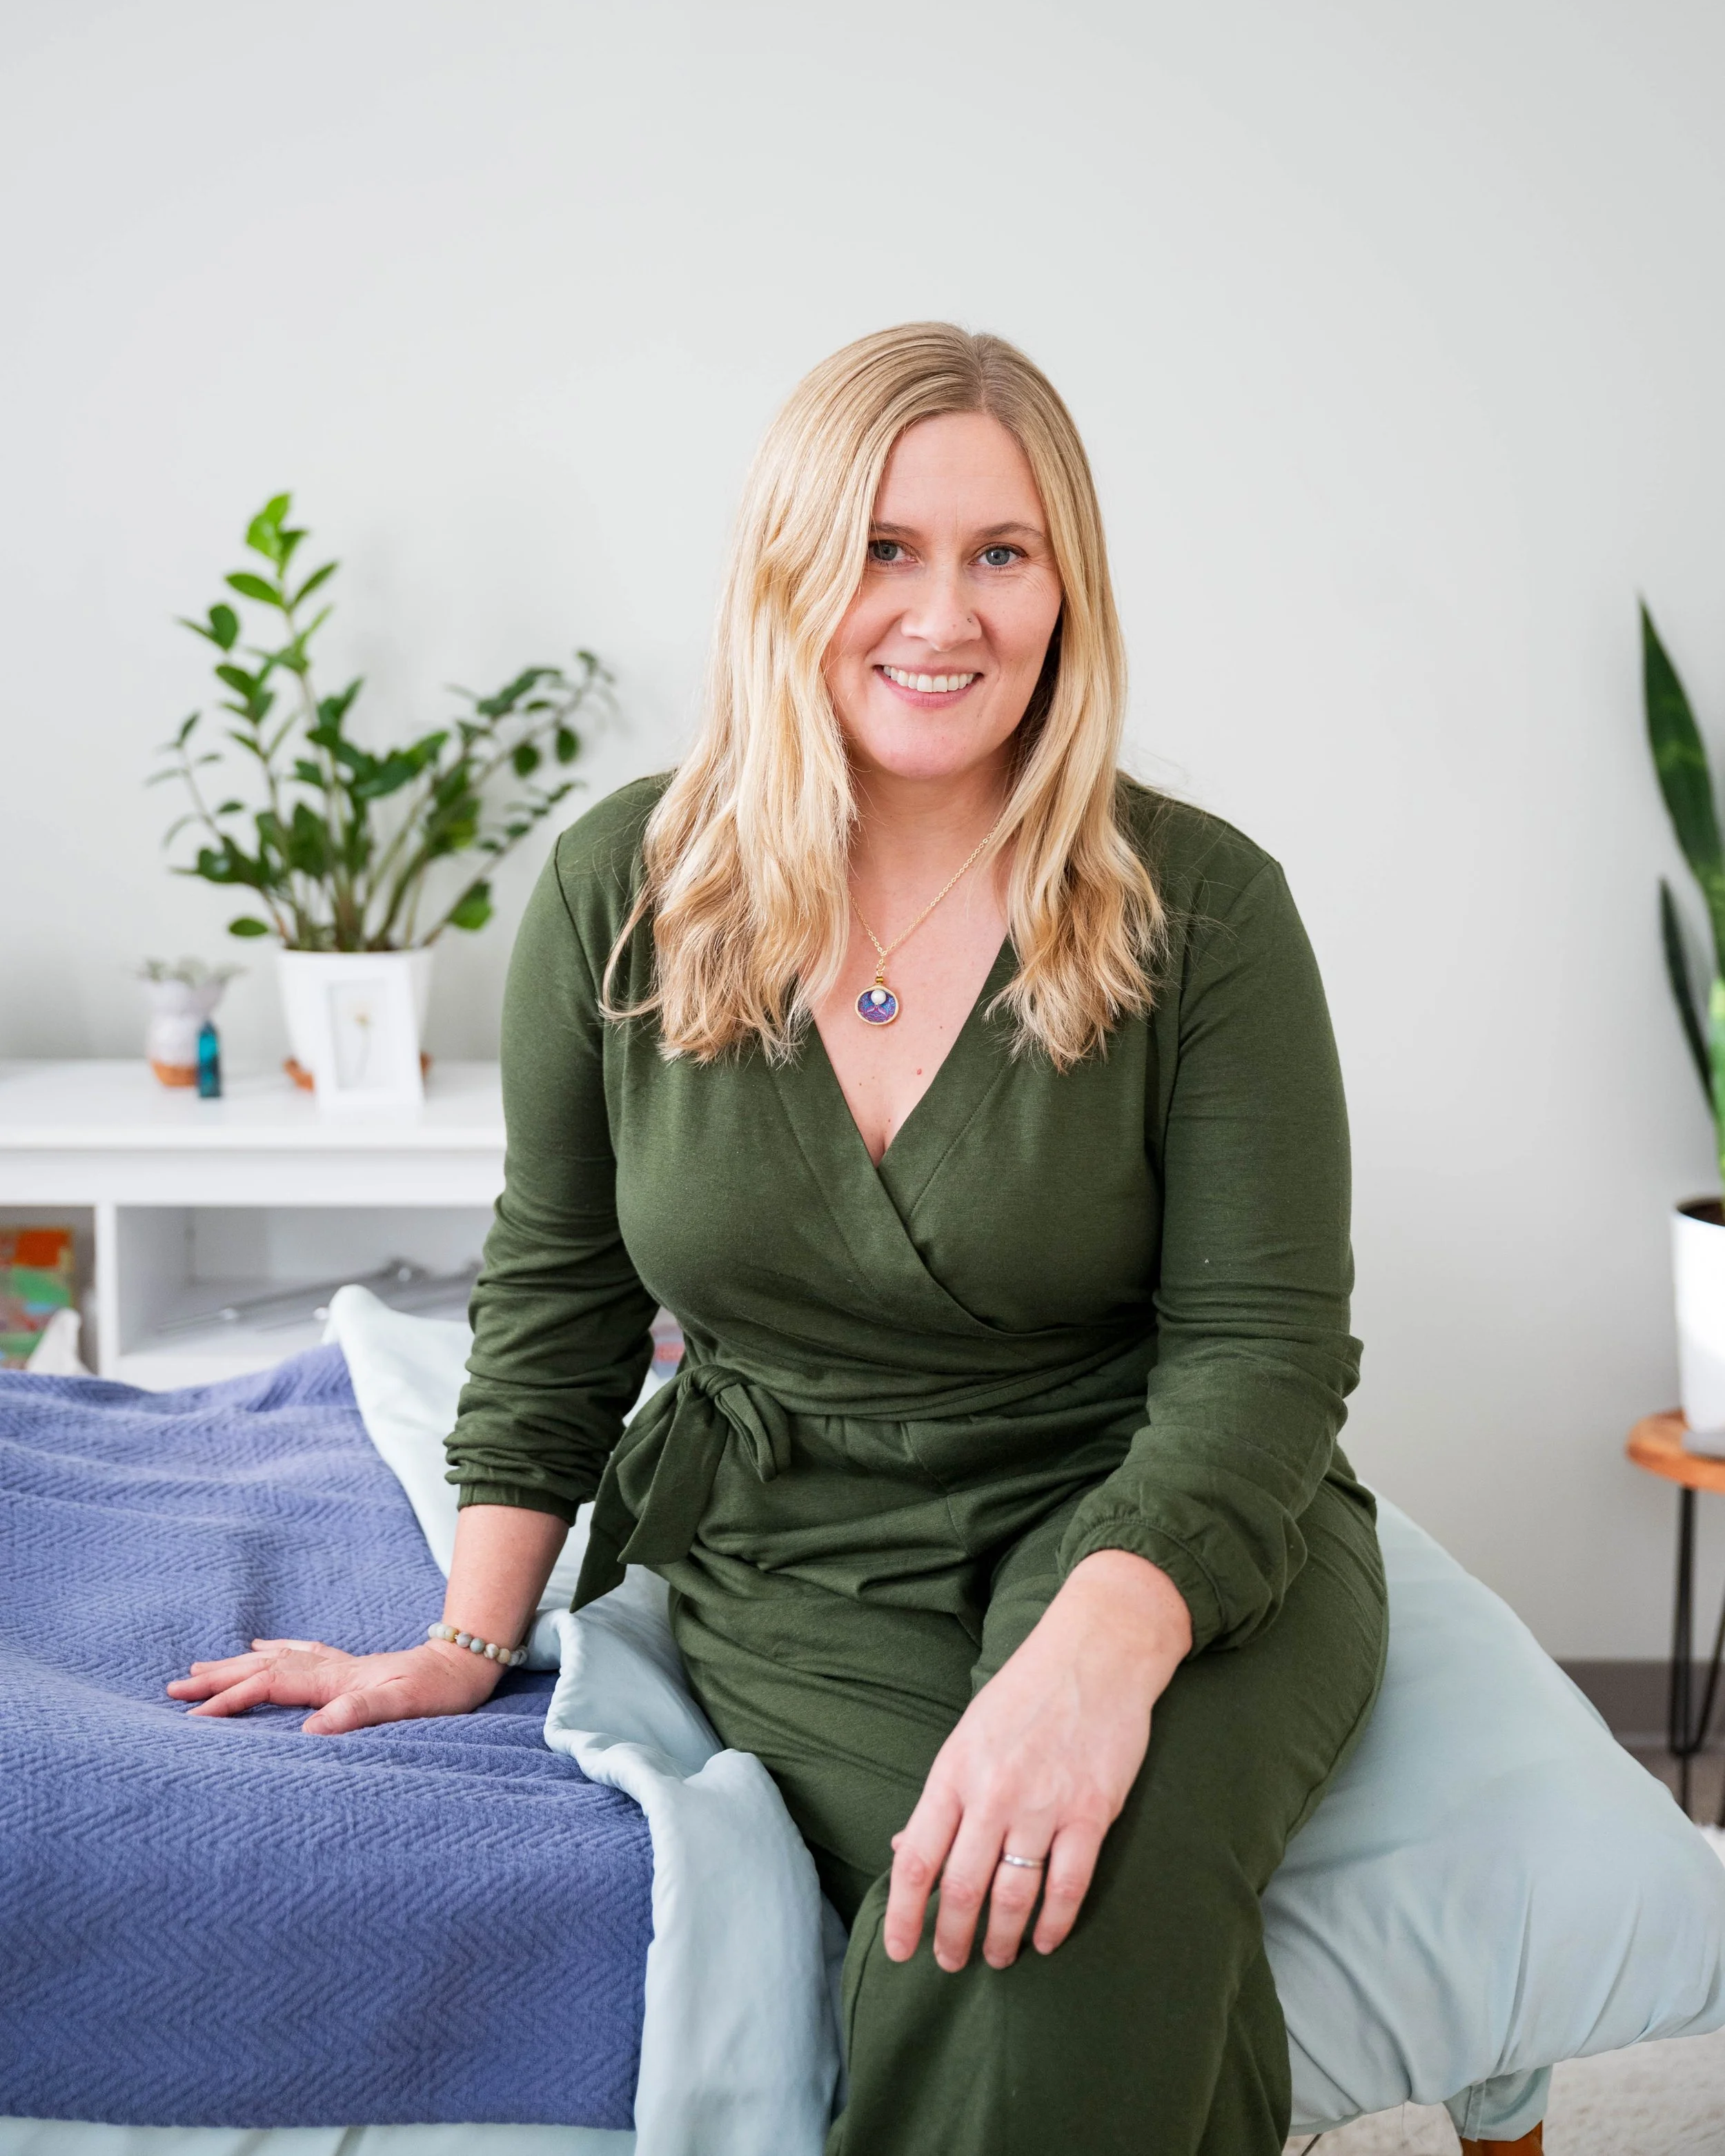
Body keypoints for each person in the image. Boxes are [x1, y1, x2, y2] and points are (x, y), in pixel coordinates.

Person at [171, 323, 1388, 2156]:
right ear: (782, 569)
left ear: (1068, 588)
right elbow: (561, 1295)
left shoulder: (1202, 907)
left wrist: (1093, 1648)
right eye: (883, 547)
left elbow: (1260, 1357)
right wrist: (459, 1634)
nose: (944, 612)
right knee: (974, 1899)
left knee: (1074, 1882)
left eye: (1002, 551)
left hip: (1175, 1518)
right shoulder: (620, 889)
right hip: (802, 1540)